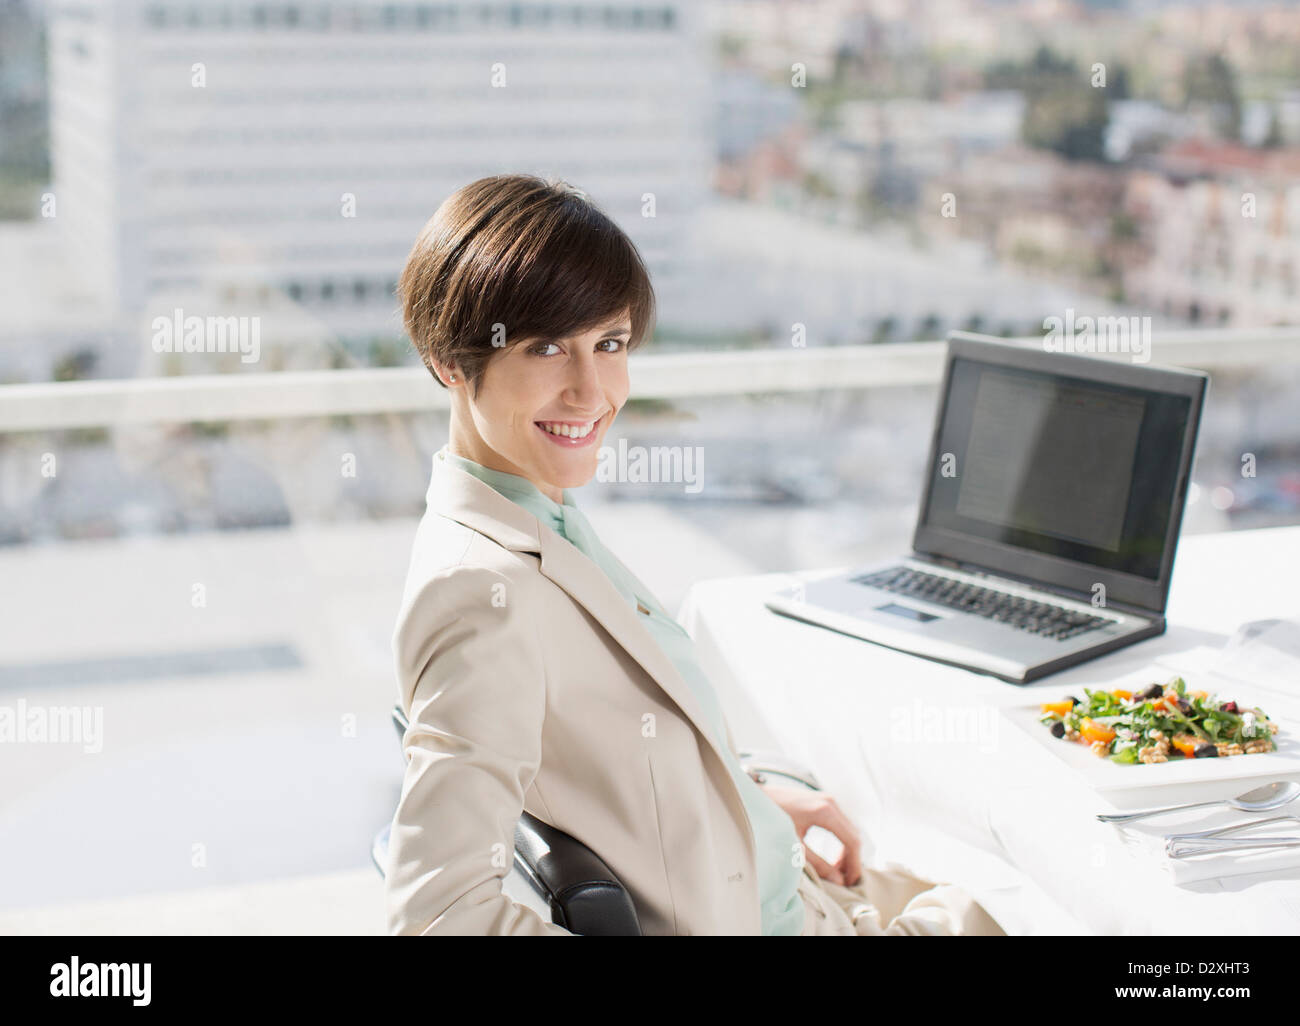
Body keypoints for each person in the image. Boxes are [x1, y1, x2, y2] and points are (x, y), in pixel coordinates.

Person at [383, 173, 1005, 937]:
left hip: (792, 886)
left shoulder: (533, 515)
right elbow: (436, 918)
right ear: (449, 361)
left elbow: (603, 761)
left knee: (991, 845)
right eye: (546, 348)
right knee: (1049, 889)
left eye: (609, 344)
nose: (592, 390)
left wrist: (747, 803)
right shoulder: (483, 590)